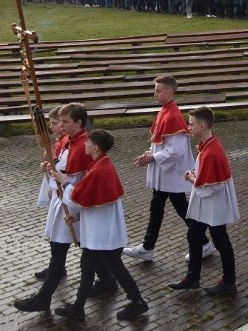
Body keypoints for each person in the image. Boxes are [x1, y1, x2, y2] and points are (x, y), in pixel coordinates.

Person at [13, 104, 114, 313]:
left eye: (65, 122)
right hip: (67, 200)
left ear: (78, 123)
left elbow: (78, 178)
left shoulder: (82, 145)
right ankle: (107, 280)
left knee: (62, 250)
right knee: (84, 249)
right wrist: (50, 168)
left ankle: (44, 298)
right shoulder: (70, 141)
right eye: (59, 122)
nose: (60, 125)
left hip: (74, 204)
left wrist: (60, 178)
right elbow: (62, 165)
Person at [51, 130, 149, 321]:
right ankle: (78, 308)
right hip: (101, 232)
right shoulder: (101, 164)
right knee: (88, 266)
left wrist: (64, 182)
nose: (85, 145)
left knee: (114, 268)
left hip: (103, 235)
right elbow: (94, 202)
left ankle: (137, 302)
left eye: (87, 143)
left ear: (95, 147)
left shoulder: (99, 170)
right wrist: (77, 218)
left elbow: (78, 199)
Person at [124, 75, 209, 263]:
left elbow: (176, 151)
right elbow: (163, 143)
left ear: (170, 92)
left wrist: (152, 157)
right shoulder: (165, 111)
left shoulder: (172, 115)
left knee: (179, 208)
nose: (155, 94)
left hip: (172, 174)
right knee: (158, 207)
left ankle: (203, 242)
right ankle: (148, 247)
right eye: (155, 90)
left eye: (158, 90)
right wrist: (151, 152)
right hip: (166, 174)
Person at [170, 107, 240, 295]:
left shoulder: (211, 151)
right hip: (206, 204)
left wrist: (193, 179)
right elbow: (207, 177)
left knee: (221, 240)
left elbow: (211, 186)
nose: (188, 127)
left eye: (191, 124)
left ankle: (229, 281)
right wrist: (196, 174)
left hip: (213, 205)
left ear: (202, 126)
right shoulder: (209, 144)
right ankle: (192, 278)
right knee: (194, 235)